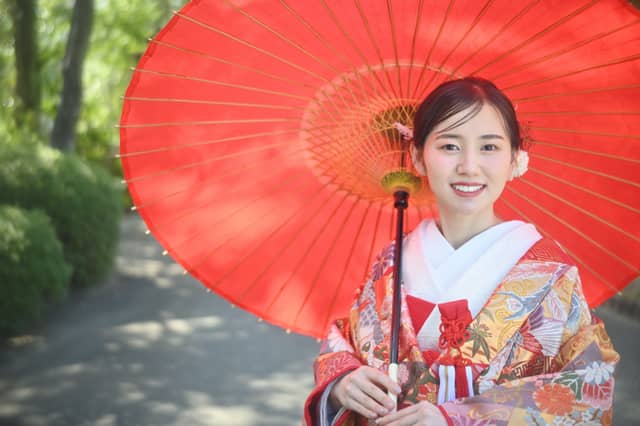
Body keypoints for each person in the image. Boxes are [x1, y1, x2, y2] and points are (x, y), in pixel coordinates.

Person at [303, 77, 619, 426]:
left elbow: (588, 391)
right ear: (418, 158)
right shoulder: (392, 261)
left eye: (489, 147)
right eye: (450, 146)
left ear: (514, 159)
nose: (469, 166)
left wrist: (459, 419)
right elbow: (344, 340)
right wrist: (343, 382)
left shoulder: (548, 274)